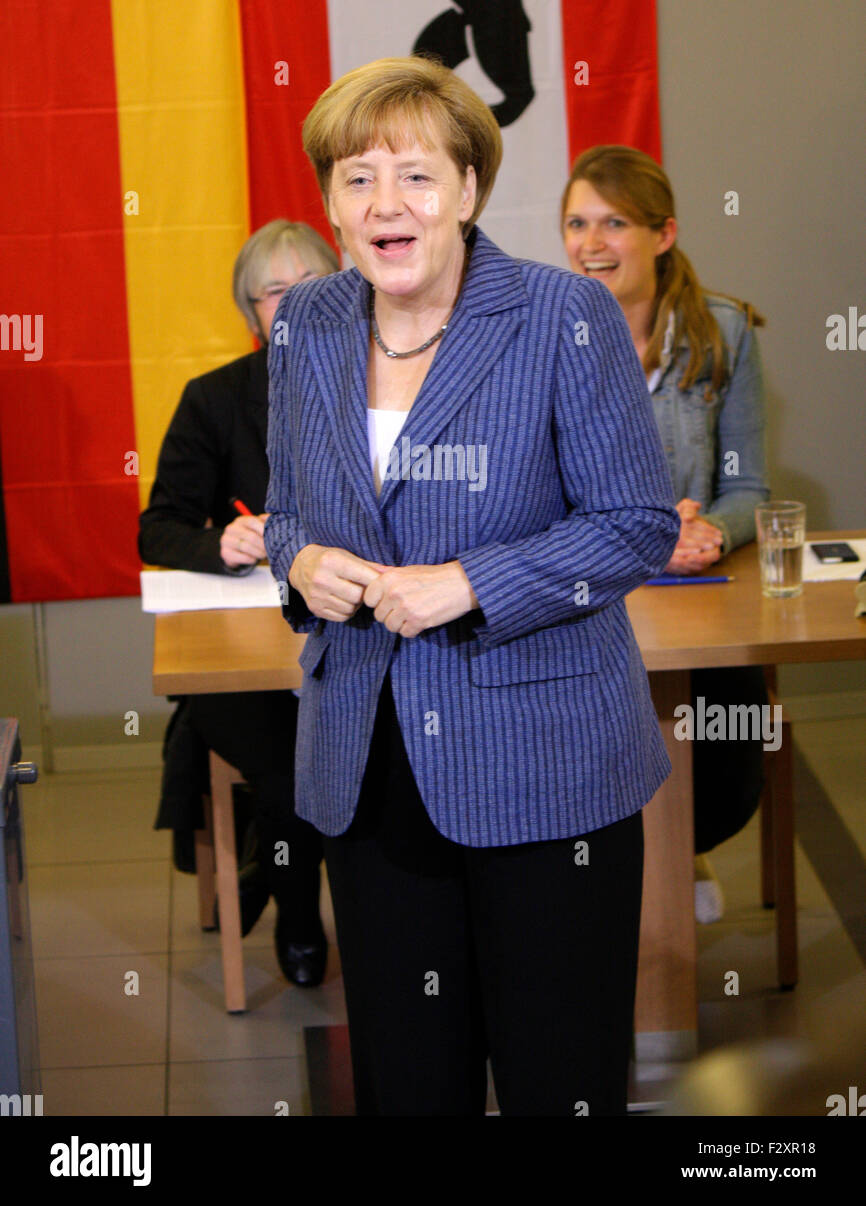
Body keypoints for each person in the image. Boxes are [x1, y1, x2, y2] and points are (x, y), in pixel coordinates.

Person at [264, 57, 680, 1115]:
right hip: (366, 759)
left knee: (557, 1078)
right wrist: (298, 561)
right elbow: (287, 511)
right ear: (328, 203)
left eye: (412, 174)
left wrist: (470, 582)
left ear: (467, 189)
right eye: (356, 179)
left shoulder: (560, 317)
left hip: (543, 765)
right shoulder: (306, 325)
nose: (384, 205)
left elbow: (632, 526)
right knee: (408, 1081)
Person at [561, 145, 771, 922]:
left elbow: (751, 489)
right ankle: (628, 872)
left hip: (696, 595)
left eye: (614, 222)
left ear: (663, 233)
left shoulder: (724, 333)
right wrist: (642, 533)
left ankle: (683, 844)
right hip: (594, 595)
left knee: (728, 766)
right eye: (577, 222)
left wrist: (711, 532)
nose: (591, 243)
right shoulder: (549, 334)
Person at [140, 220, 339, 985]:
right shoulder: (213, 399)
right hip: (244, 655)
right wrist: (217, 543)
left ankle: (365, 907)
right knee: (297, 767)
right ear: (250, 312)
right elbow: (158, 527)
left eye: (310, 287)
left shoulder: (387, 382)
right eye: (274, 294)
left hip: (348, 633)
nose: (292, 306)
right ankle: (298, 915)